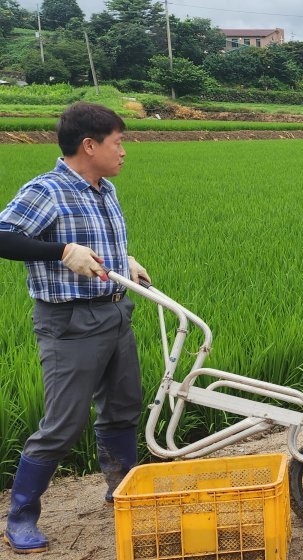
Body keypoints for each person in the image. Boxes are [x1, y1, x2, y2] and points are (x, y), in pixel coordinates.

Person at [0, 102, 152, 554]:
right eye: (117, 142)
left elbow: (98, 243)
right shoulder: (47, 190)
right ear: (90, 145)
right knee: (63, 425)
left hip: (115, 312)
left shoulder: (104, 189)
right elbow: (4, 236)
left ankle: (119, 489)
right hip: (69, 323)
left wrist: (123, 259)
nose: (124, 151)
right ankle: (21, 517)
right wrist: (60, 250)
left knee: (123, 407)